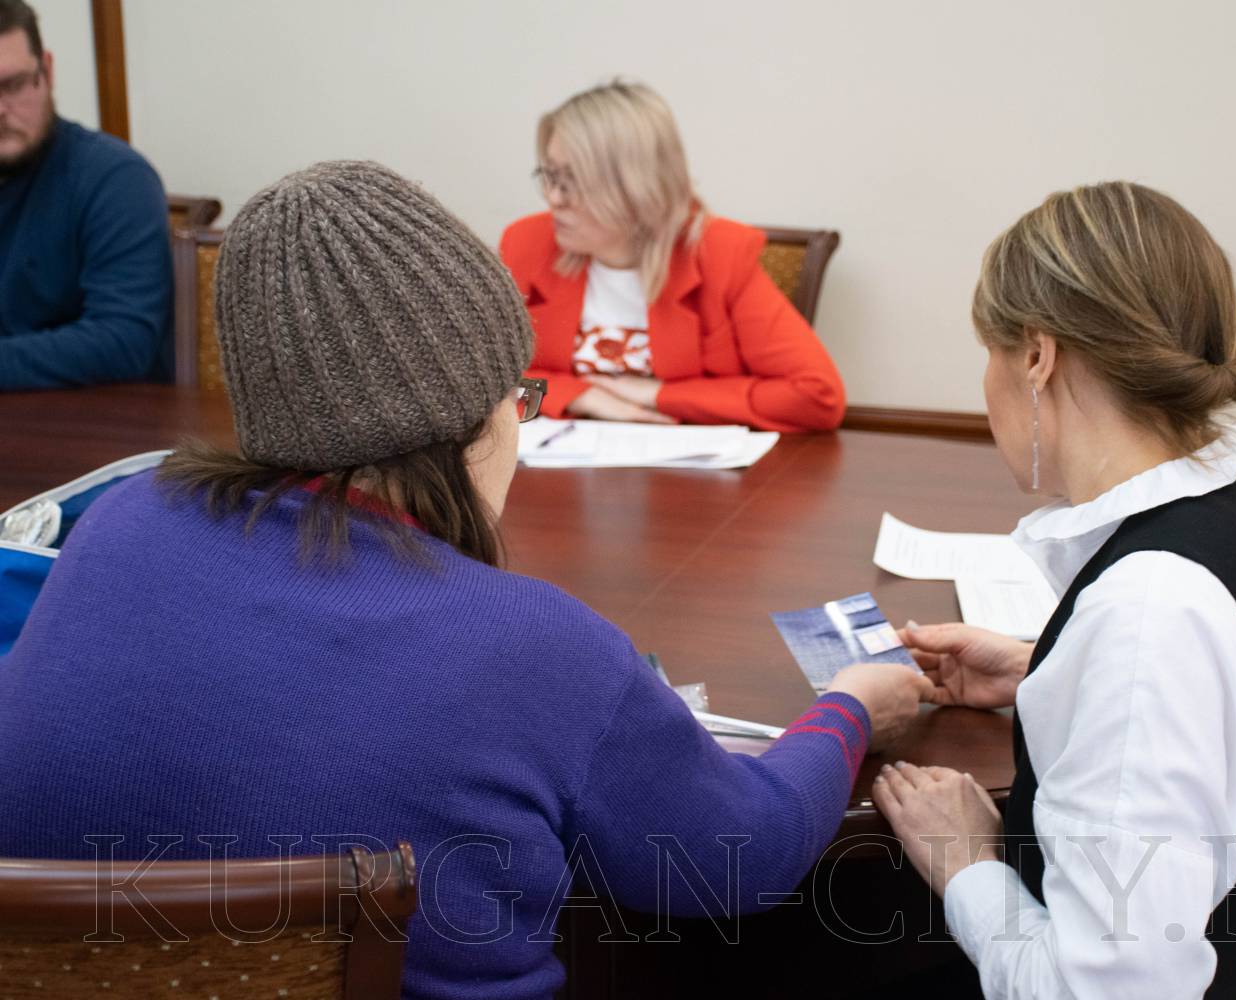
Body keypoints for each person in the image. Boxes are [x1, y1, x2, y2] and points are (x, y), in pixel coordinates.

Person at [0, 161, 928, 999]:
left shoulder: (117, 527)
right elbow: (739, 858)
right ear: (471, 419)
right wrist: (852, 706)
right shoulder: (537, 649)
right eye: (519, 396)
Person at [872, 183, 1236, 998]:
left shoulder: (1147, 612)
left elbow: (1109, 990)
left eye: (989, 352)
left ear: (1037, 356)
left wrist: (966, 862)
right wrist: (1048, 671)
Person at [500, 81, 846, 432]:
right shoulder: (527, 244)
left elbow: (816, 396)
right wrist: (576, 395)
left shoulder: (720, 253)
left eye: (573, 180)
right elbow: (484, 378)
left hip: (685, 460)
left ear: (638, 185)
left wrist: (659, 395)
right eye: (550, 176)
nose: (554, 198)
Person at [0, 0, 171, 390]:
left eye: (13, 84)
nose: (1, 110)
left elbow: (125, 341)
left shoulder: (115, 177)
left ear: (47, 71)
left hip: (95, 417)